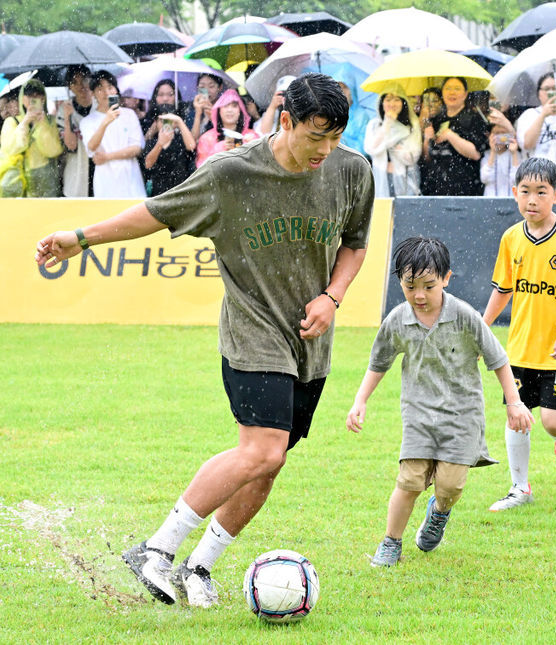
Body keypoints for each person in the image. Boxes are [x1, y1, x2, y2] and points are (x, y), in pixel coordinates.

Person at [35, 74, 373, 607]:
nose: (325, 150)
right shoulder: (230, 174)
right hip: (253, 331)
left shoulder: (352, 170)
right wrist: (80, 238)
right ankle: (155, 548)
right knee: (261, 449)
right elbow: (153, 213)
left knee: (273, 459)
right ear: (285, 121)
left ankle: (199, 567)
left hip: (310, 342)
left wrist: (332, 297)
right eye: (315, 137)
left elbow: (354, 243)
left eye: (335, 137)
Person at [346, 237, 534, 567]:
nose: (419, 295)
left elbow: (498, 359)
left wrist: (514, 404)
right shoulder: (398, 319)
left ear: (446, 278)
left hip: (463, 415)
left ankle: (439, 511)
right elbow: (379, 362)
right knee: (409, 481)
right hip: (418, 414)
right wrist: (360, 400)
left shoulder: (464, 316)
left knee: (449, 485)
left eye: (428, 286)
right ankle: (391, 542)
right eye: (410, 285)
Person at [483, 157, 556, 511]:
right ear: (515, 194)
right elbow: (503, 290)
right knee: (516, 415)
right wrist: (481, 327)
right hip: (519, 348)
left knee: (551, 420)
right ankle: (520, 488)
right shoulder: (511, 238)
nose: (532, 200)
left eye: (541, 192)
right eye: (525, 192)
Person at [78, 71, 146, 199]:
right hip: (106, 183)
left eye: (110, 87)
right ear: (93, 94)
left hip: (131, 181)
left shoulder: (129, 115)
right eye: (100, 89)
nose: (106, 93)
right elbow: (91, 147)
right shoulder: (87, 121)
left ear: (116, 90)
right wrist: (105, 122)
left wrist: (108, 156)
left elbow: (136, 148)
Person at [420, 77, 489, 196]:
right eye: (448, 88)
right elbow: (427, 157)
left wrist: (451, 136)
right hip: (436, 188)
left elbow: (476, 154)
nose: (452, 92)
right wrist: (426, 139)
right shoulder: (437, 119)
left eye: (457, 89)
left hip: (464, 187)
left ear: (465, 94)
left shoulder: (474, 118)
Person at [0, 79, 62, 197]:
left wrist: (42, 124)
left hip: (45, 186)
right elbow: (10, 149)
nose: (34, 100)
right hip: (17, 187)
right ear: (22, 99)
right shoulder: (11, 121)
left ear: (43, 99)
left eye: (38, 96)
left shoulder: (49, 121)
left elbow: (53, 151)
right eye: (30, 96)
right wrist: (25, 122)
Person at [141, 80, 196, 196]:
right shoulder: (153, 141)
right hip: (159, 191)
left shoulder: (180, 139)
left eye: (170, 121)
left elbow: (191, 147)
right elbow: (148, 164)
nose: (167, 124)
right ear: (156, 122)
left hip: (181, 188)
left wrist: (180, 122)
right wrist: (160, 143)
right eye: (163, 121)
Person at [364, 91, 422, 197]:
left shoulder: (412, 125)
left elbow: (413, 156)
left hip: (405, 179)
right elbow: (370, 148)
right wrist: (387, 124)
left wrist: (394, 146)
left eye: (397, 99)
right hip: (380, 178)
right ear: (382, 103)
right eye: (388, 99)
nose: (392, 104)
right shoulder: (374, 125)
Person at [195, 89, 259, 168]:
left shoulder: (252, 136)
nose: (229, 110)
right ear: (219, 111)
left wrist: (244, 146)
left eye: (234, 106)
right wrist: (220, 148)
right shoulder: (206, 138)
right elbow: (201, 168)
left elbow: (259, 164)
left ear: (240, 111)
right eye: (225, 106)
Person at [58, 65, 94, 197]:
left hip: (101, 169)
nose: (81, 86)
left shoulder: (100, 106)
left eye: (84, 80)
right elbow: (71, 145)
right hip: (77, 172)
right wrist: (67, 118)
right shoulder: (64, 109)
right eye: (74, 82)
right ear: (69, 86)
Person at [481, 107, 520, 197]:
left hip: (511, 200)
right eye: (496, 133)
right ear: (489, 136)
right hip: (490, 201)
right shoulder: (487, 154)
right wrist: (493, 152)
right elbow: (484, 178)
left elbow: (517, 180)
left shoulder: (516, 154)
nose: (500, 136)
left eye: (503, 133)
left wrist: (514, 154)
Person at [187, 73, 224, 140]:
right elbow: (192, 141)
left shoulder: (224, 109)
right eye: (202, 87)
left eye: (211, 86)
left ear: (220, 87)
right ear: (197, 88)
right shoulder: (192, 109)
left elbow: (222, 135)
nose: (206, 91)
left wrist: (213, 116)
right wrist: (198, 113)